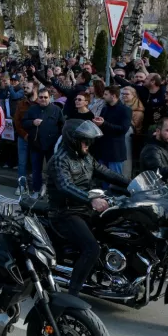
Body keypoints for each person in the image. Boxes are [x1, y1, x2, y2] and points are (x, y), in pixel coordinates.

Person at [45, 120, 129, 297]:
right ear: (73, 140)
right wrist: (91, 200)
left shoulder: (86, 158)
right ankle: (71, 296)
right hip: (65, 212)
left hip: (84, 209)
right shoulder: (59, 160)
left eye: (89, 141)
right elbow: (65, 186)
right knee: (92, 248)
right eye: (85, 140)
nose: (88, 144)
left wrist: (132, 184)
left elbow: (106, 172)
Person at [23, 88, 65, 194]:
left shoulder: (56, 109)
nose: (43, 99)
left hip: (52, 145)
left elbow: (62, 126)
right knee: (36, 170)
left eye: (45, 97)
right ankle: (36, 190)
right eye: (41, 97)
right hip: (36, 145)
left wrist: (59, 142)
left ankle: (52, 191)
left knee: (53, 170)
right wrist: (33, 122)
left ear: (49, 98)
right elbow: (23, 123)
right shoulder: (32, 109)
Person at [94, 86, 131, 176]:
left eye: (106, 94)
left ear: (113, 96)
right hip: (103, 149)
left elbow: (123, 129)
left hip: (115, 151)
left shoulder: (125, 110)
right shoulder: (105, 108)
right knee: (104, 178)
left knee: (115, 179)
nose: (103, 96)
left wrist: (104, 124)